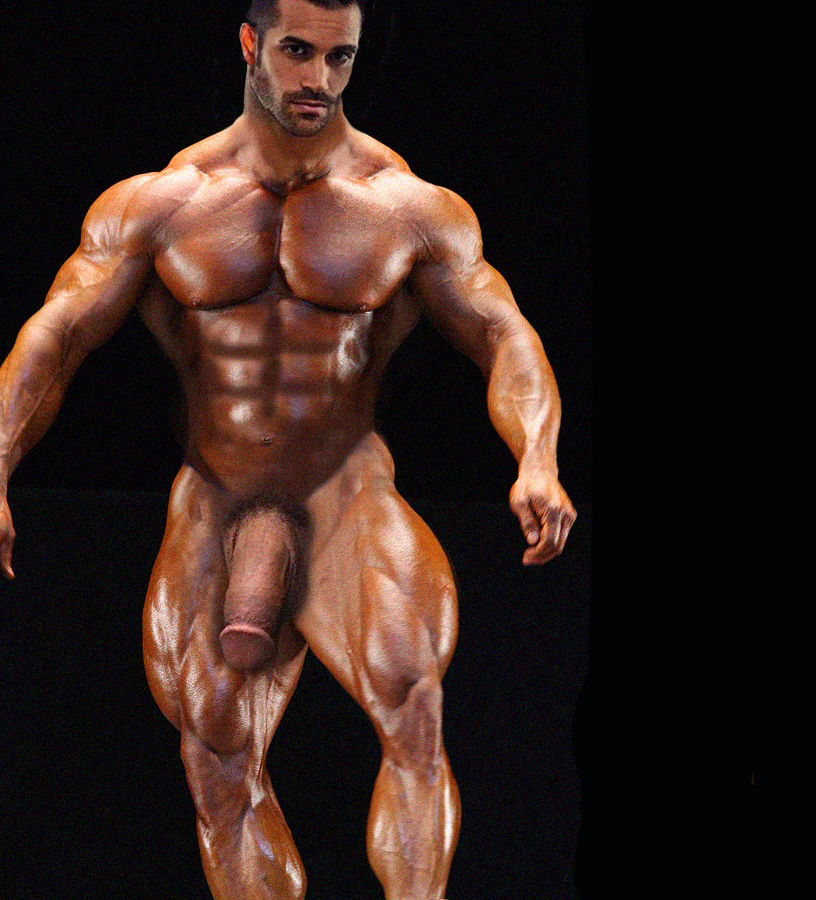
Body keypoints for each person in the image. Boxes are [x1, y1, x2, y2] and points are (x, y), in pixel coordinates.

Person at [0, 0, 576, 897]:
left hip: (344, 489)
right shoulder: (163, 202)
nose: (319, 80)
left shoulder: (405, 206)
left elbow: (504, 334)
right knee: (217, 763)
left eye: (340, 57)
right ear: (250, 44)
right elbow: (56, 338)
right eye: (298, 52)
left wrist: (537, 456)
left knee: (415, 712)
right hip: (216, 492)